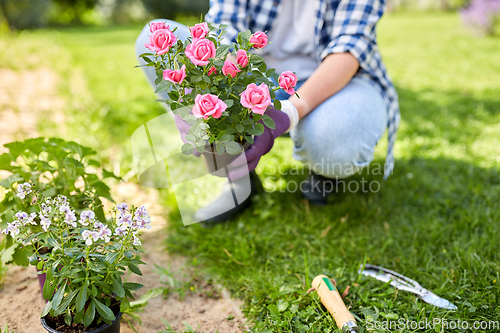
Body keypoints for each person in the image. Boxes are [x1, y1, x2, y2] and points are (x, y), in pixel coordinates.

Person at [136, 0, 400, 226]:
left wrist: (288, 113)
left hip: (337, 79)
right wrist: (200, 100)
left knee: (335, 142)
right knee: (152, 37)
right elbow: (223, 31)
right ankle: (240, 180)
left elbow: (349, 46)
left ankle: (325, 170)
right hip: (253, 74)